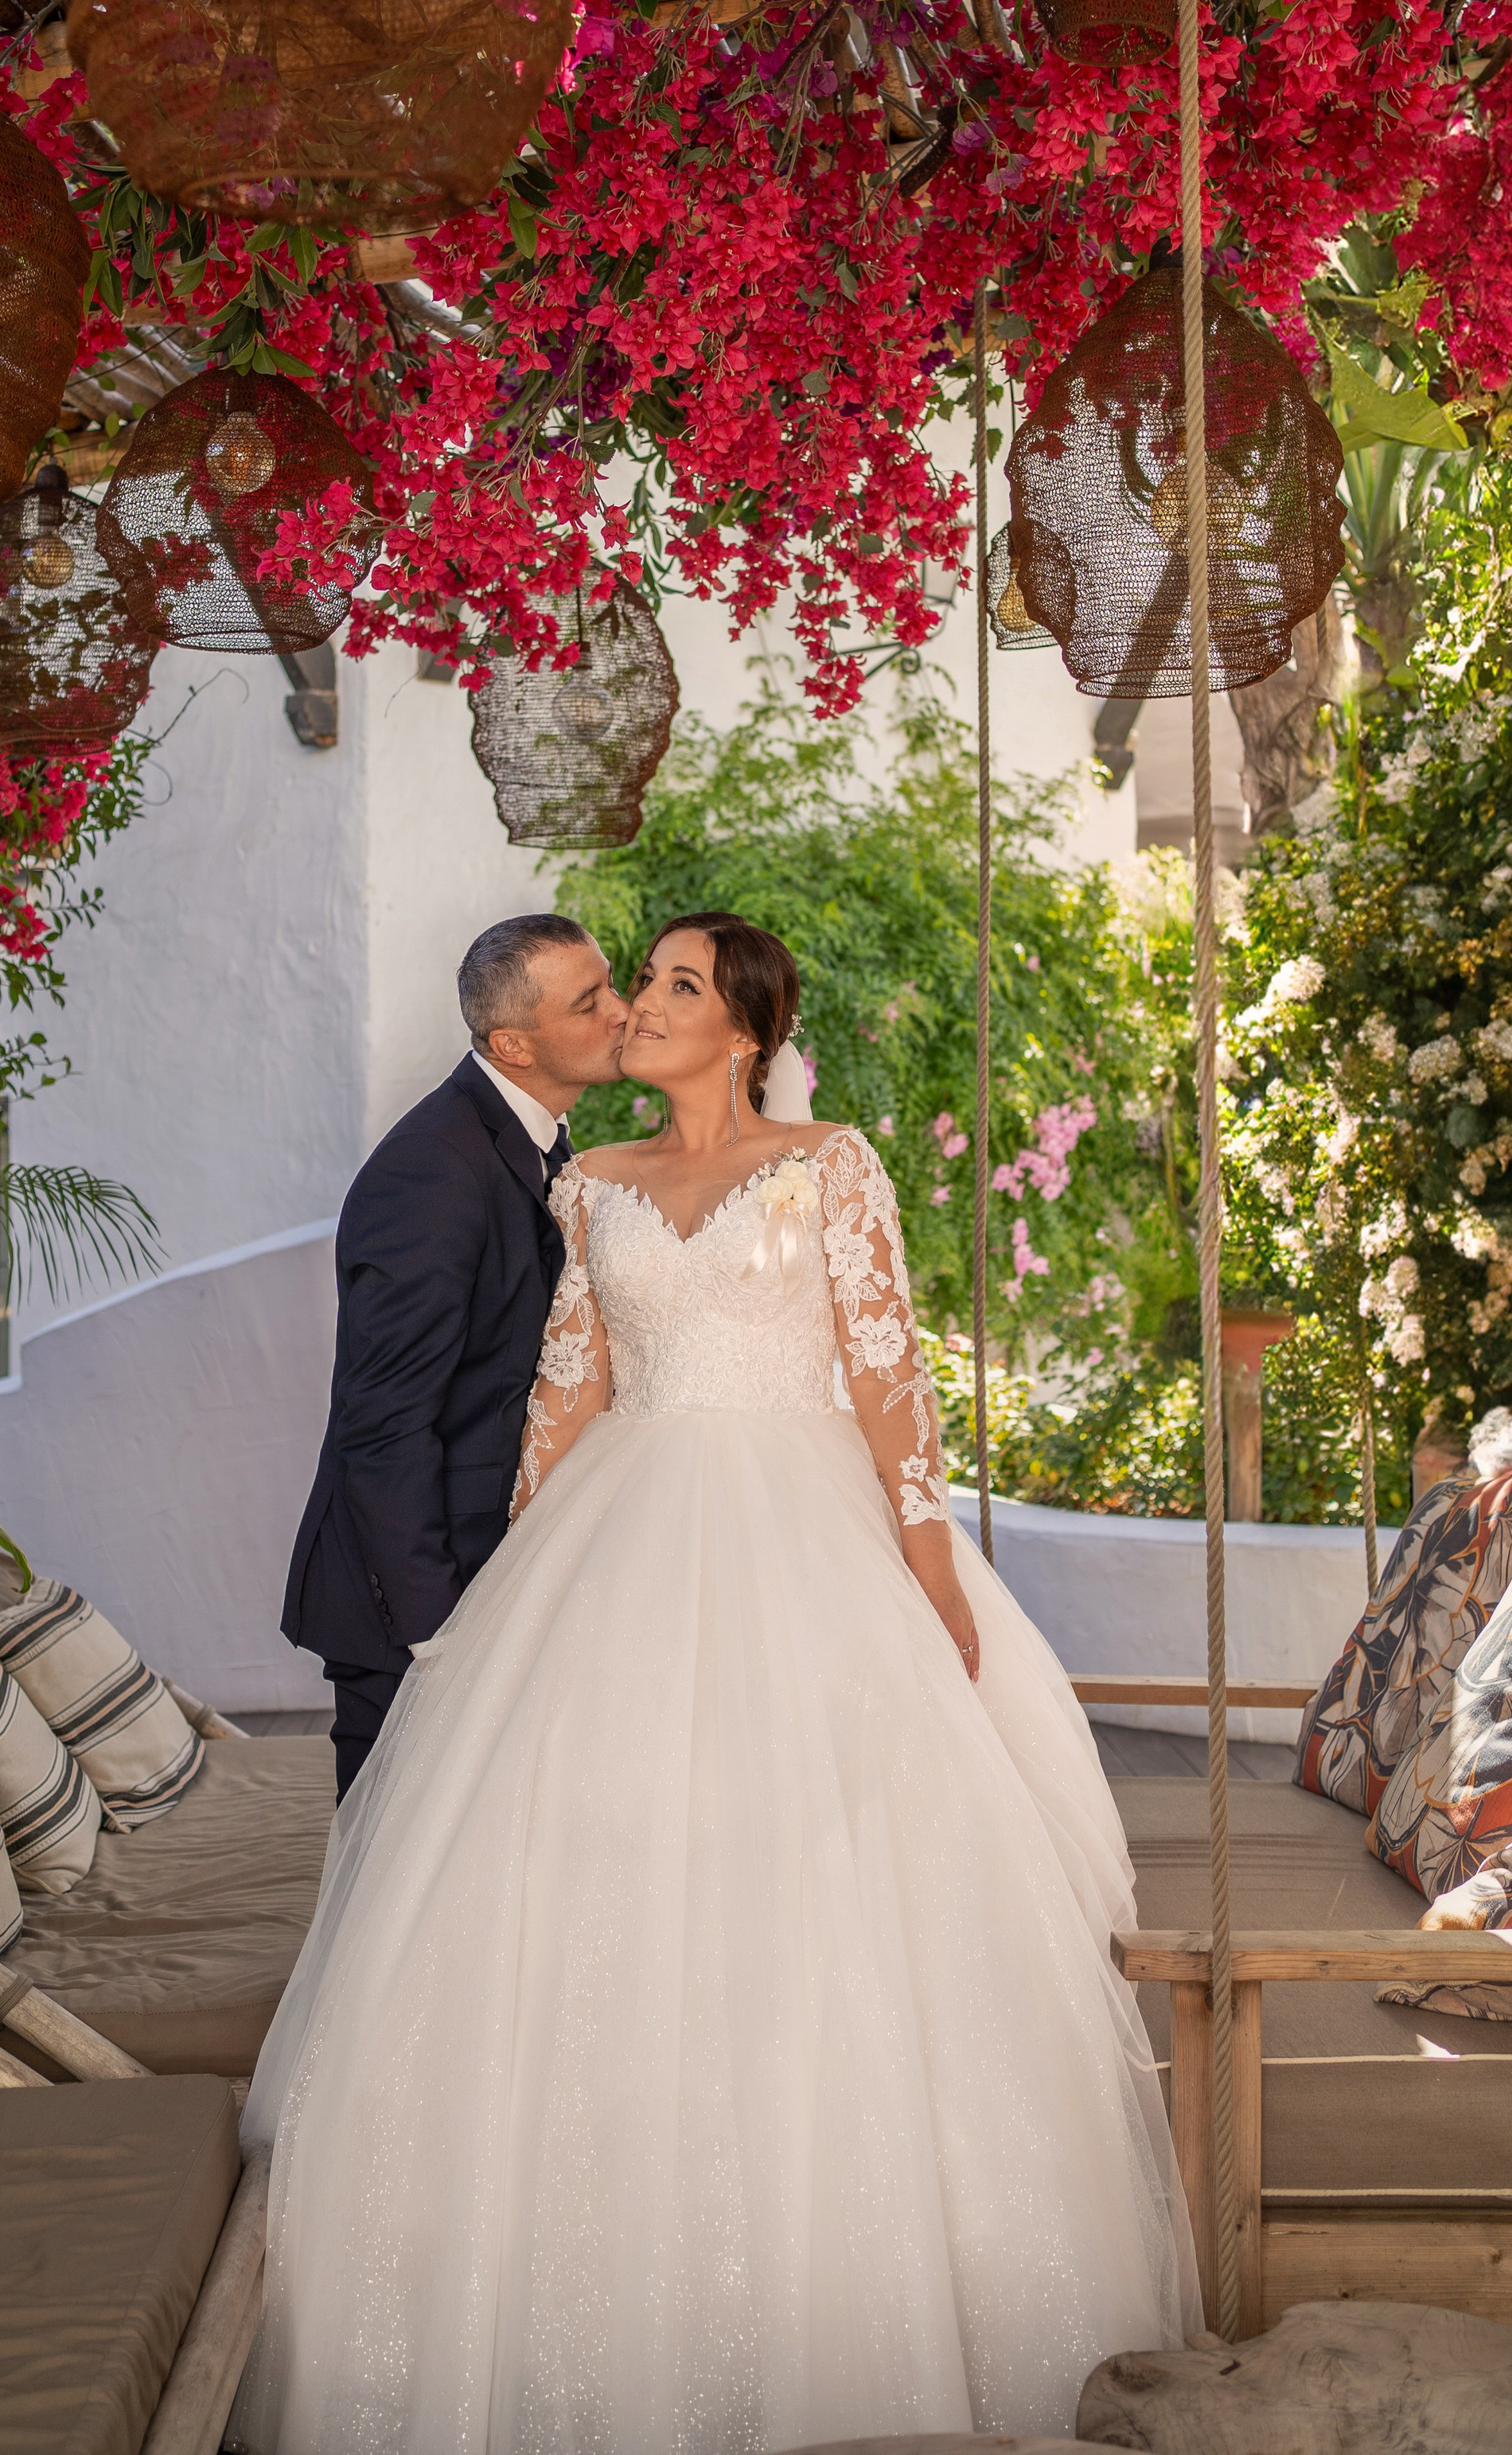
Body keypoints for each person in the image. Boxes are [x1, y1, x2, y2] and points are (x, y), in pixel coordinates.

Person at [241, 910, 1198, 2453]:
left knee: (823, 1880)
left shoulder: (829, 1164)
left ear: (742, 1026)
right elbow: (567, 1386)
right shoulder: (590, 1185)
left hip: (797, 1523)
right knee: (572, 1884)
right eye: (623, 987)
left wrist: (929, 1555)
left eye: (668, 985)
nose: (635, 1006)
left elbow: (887, 1375)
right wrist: (505, 1606)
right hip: (621, 1529)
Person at [279, 912, 629, 1797]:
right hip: (412, 1605)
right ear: (513, 1043)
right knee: (385, 1884)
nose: (621, 1012)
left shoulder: (538, 1142)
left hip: (494, 1577)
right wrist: (437, 1635)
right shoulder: (431, 1170)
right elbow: (384, 1422)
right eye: (589, 1002)